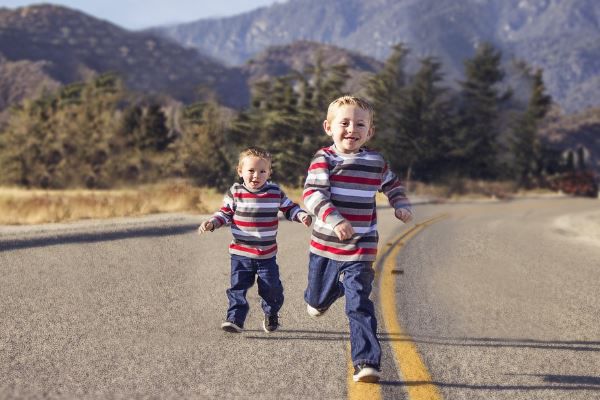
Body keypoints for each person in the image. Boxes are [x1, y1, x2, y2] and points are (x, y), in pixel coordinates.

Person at [302, 95, 413, 383]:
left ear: (370, 131)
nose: (352, 129)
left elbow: (392, 184)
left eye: (360, 124)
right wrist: (335, 219)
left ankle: (366, 362)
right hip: (325, 247)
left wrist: (400, 204)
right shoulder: (323, 159)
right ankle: (325, 295)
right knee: (315, 302)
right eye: (345, 123)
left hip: (361, 249)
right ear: (329, 127)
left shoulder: (375, 162)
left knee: (360, 303)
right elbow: (312, 195)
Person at [199, 147, 312, 334]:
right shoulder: (235, 193)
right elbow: (225, 213)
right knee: (237, 287)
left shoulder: (274, 192)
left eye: (262, 171)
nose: (256, 176)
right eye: (251, 171)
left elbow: (289, 208)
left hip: (266, 255)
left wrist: (301, 215)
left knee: (272, 289)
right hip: (240, 254)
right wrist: (212, 223)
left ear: (269, 173)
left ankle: (271, 312)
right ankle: (234, 319)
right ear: (240, 171)